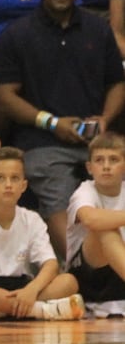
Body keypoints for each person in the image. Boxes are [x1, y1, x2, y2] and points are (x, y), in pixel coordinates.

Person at [0, 0, 125, 259]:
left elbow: (117, 82)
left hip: (96, 140)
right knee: (59, 197)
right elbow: (4, 95)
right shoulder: (18, 33)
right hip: (42, 142)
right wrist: (51, 123)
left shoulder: (99, 29)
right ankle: (78, 269)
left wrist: (104, 120)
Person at [0, 146, 83, 322]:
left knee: (69, 281)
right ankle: (39, 311)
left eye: (14, 178)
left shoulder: (32, 219)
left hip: (22, 286)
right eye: (0, 178)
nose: (8, 185)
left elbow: (50, 264)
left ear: (23, 185)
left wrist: (33, 289)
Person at [65, 132, 125, 316]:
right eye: (99, 160)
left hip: (119, 275)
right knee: (104, 229)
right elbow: (91, 219)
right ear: (89, 167)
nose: (106, 166)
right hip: (87, 275)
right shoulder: (84, 191)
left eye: (113, 159)